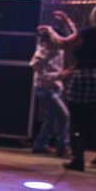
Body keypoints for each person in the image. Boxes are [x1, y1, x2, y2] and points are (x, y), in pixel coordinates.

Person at [39, 3, 96, 171]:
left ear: (95, 17)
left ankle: (78, 158)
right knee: (91, 116)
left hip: (87, 77)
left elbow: (62, 43)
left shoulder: (88, 33)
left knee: (77, 119)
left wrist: (50, 31)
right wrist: (67, 22)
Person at [29, 26, 69, 156]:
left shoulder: (59, 49)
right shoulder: (42, 53)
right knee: (63, 115)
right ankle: (62, 146)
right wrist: (60, 75)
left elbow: (74, 37)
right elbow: (39, 74)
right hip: (45, 88)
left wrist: (67, 22)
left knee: (51, 117)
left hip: (55, 87)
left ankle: (40, 145)